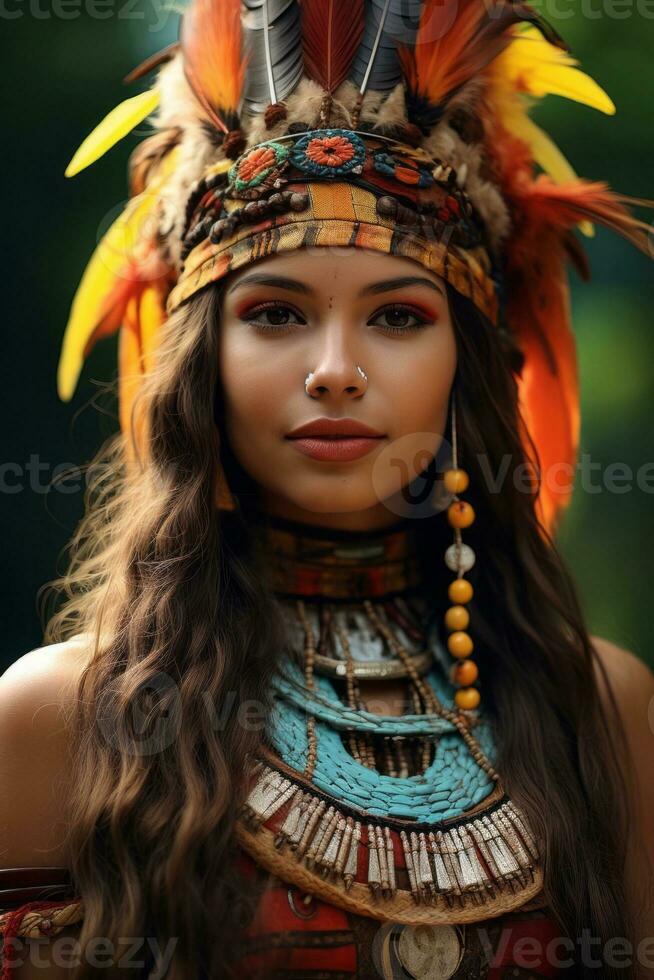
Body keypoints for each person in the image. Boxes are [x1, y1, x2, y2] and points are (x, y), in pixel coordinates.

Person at [1, 1, 653, 977]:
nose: (336, 370)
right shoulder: (57, 718)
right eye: (275, 313)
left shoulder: (605, 712)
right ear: (200, 366)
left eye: (396, 316)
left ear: (464, 366)